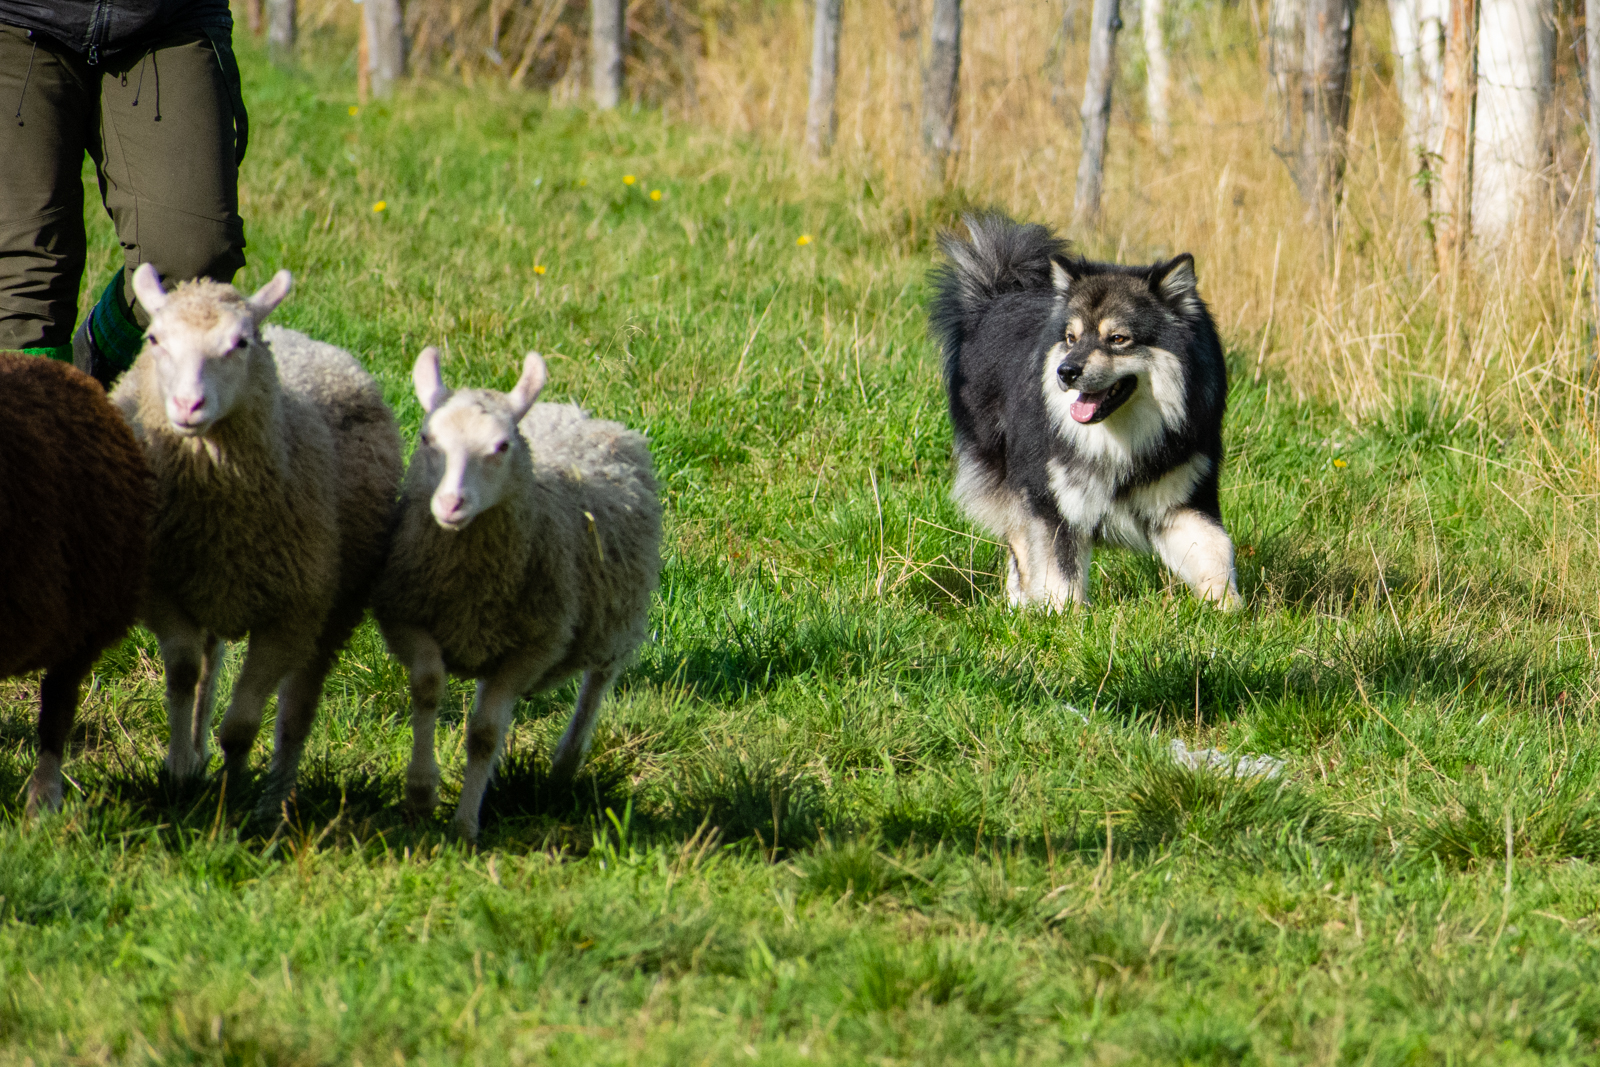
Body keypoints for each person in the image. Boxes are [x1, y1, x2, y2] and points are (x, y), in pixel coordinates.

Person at [0, 0, 249, 387]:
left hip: (166, 21)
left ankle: (93, 369)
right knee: (21, 278)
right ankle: (37, 435)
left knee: (193, 258)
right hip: (18, 19)